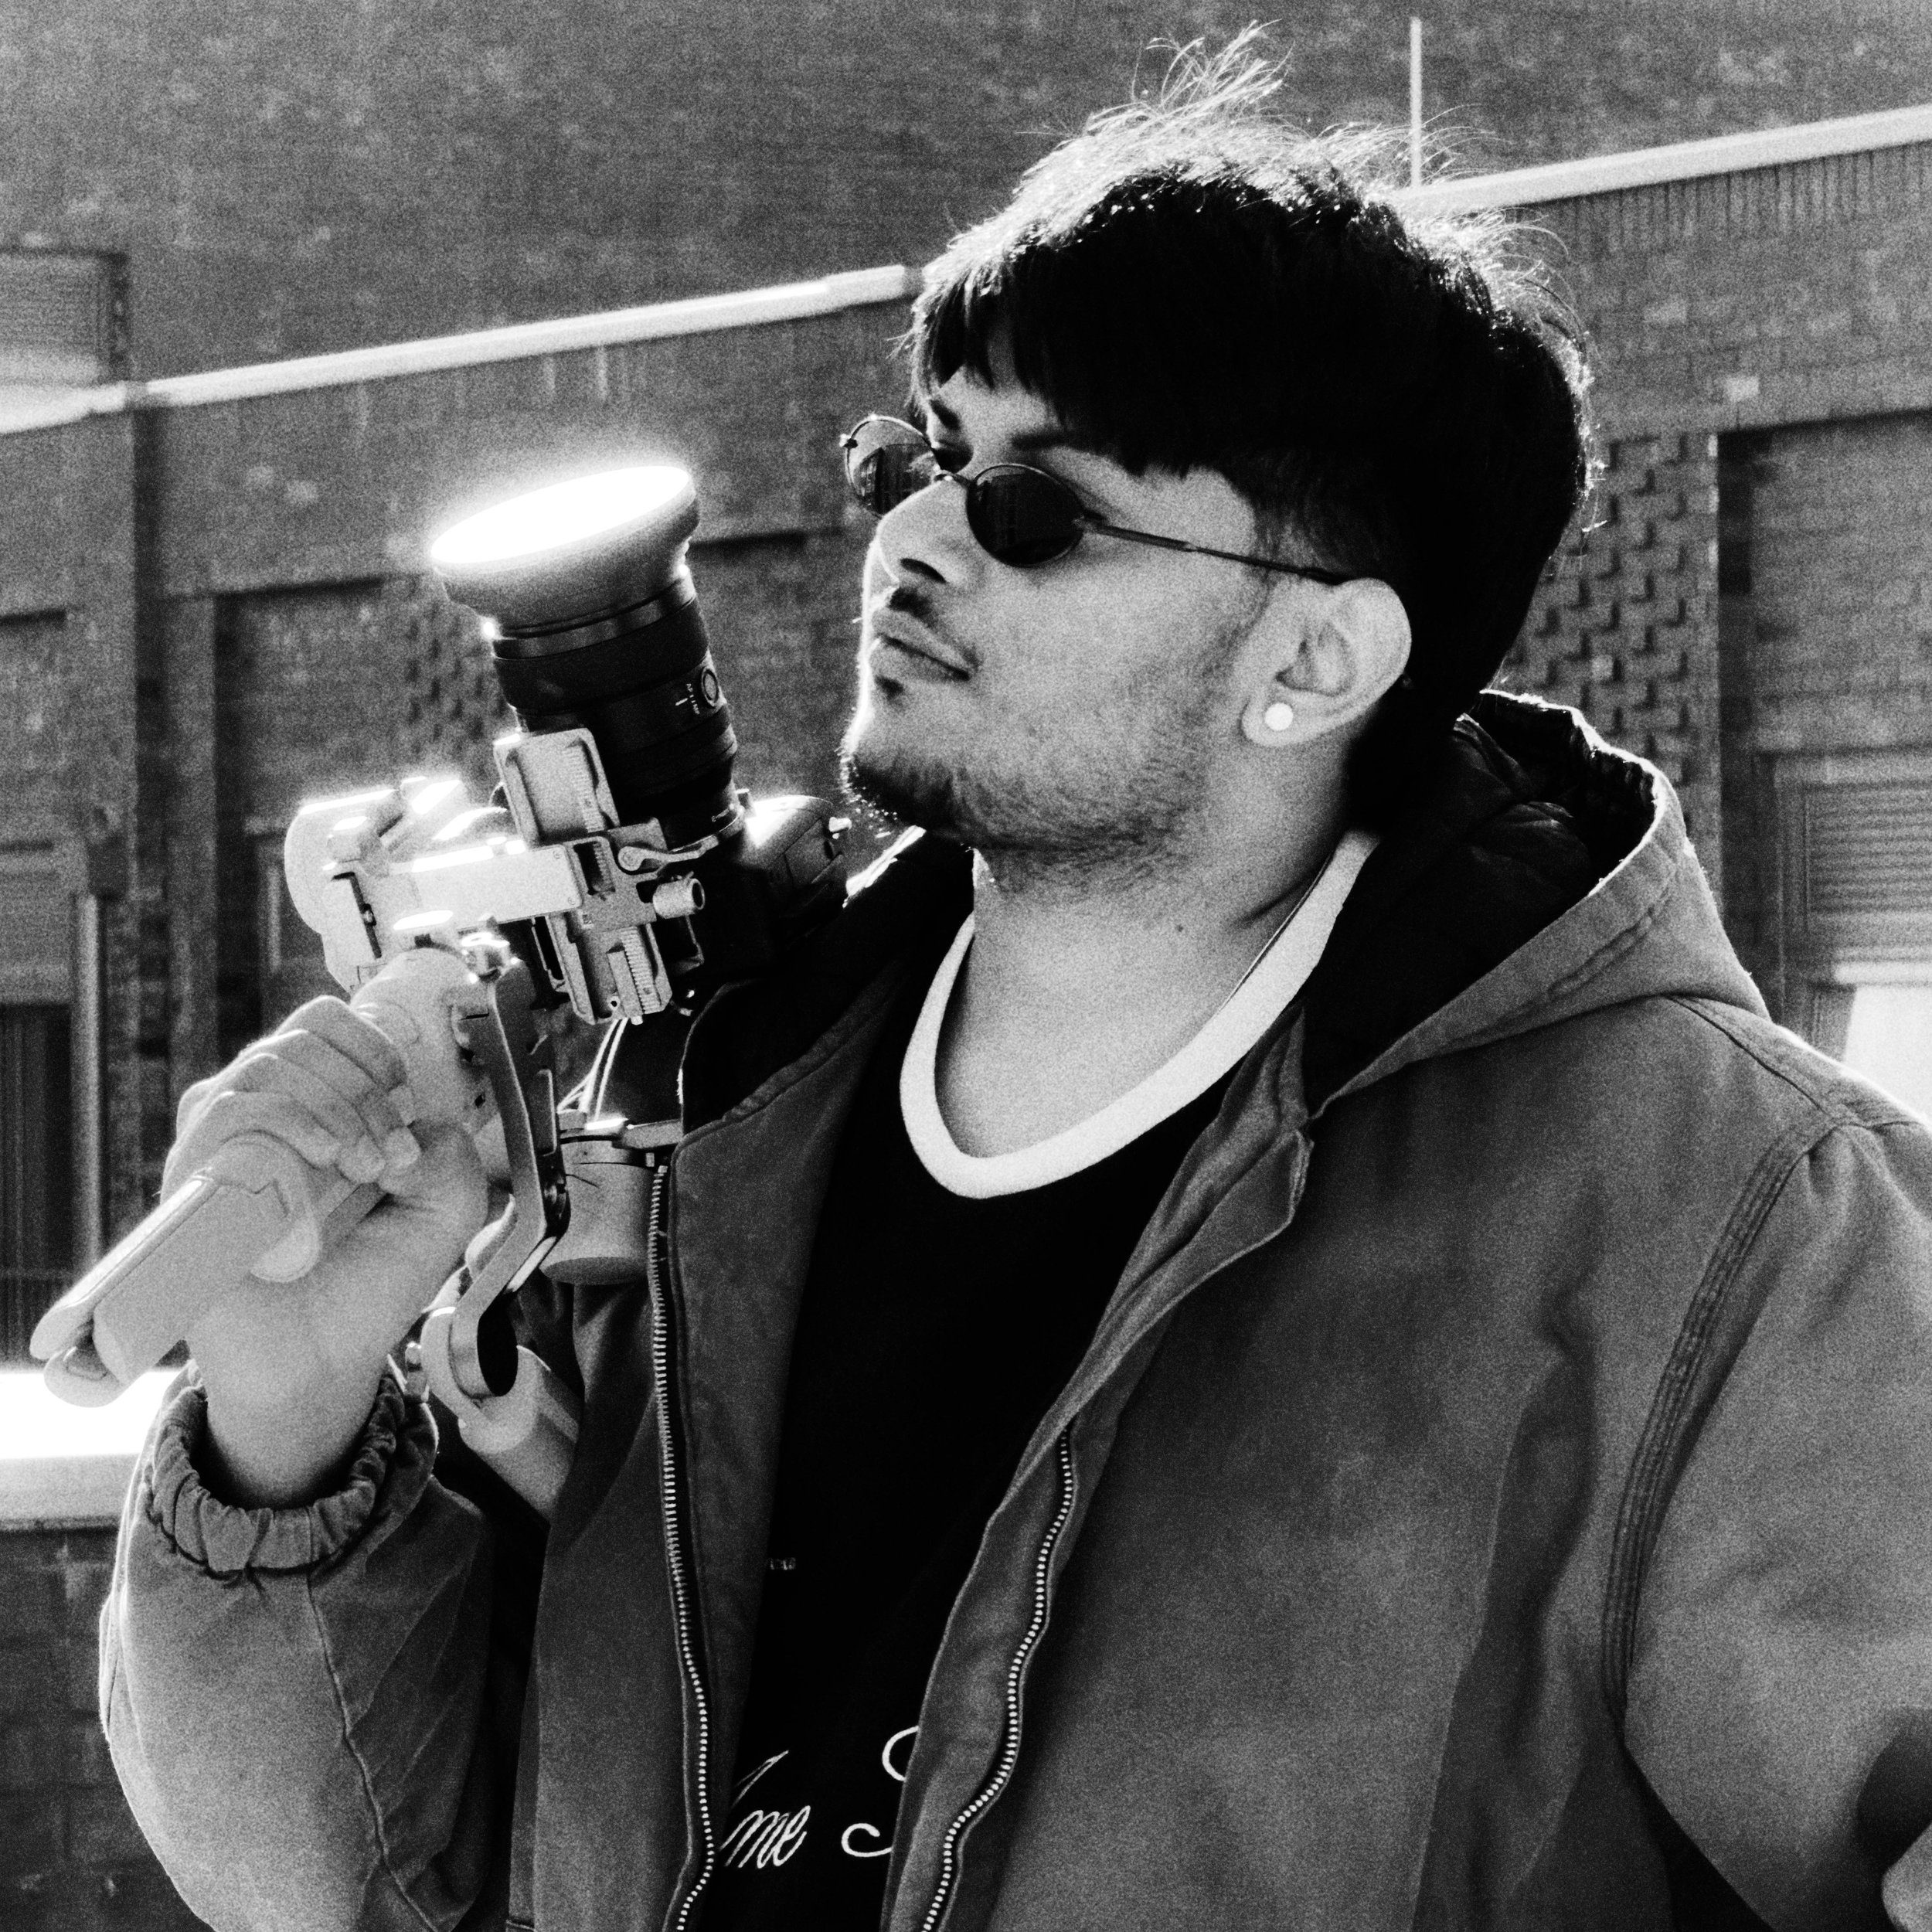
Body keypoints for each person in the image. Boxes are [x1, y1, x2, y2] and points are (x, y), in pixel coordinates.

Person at [103, 39, 1932, 1932]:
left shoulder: (1732, 1221)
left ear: (1309, 658)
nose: (909, 538)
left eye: (1037, 509)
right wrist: (286, 1424)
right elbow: (359, 1895)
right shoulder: (692, 1121)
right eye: (922, 456)